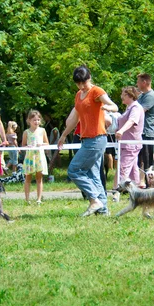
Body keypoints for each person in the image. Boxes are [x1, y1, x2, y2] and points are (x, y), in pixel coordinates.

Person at [57, 65, 118, 217]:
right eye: (78, 83)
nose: (81, 86)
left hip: (97, 139)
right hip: (86, 139)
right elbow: (75, 119)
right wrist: (64, 135)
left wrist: (107, 108)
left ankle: (94, 199)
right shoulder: (78, 95)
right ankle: (103, 209)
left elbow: (114, 106)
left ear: (89, 78)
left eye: (84, 82)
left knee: (74, 170)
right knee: (94, 174)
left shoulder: (96, 91)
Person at [114, 86, 145, 188]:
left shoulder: (135, 108)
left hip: (130, 144)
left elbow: (132, 121)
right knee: (132, 169)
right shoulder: (129, 108)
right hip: (127, 143)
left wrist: (121, 131)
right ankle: (137, 188)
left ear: (129, 95)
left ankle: (117, 190)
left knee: (123, 168)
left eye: (123, 94)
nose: (121, 96)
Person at [136, 73, 154, 186]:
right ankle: (141, 182)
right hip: (140, 132)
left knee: (147, 161)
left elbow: (138, 112)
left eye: (138, 82)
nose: (137, 84)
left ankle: (150, 184)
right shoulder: (142, 96)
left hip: (147, 133)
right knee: (140, 159)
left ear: (144, 82)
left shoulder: (150, 96)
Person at [22, 110, 49, 204]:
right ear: (29, 120)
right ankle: (27, 199)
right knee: (28, 178)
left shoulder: (42, 131)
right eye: (34, 120)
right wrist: (27, 147)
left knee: (39, 178)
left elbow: (47, 143)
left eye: (38, 120)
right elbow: (23, 145)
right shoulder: (26, 132)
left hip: (39, 157)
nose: (36, 122)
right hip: (30, 157)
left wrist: (41, 144)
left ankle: (39, 199)